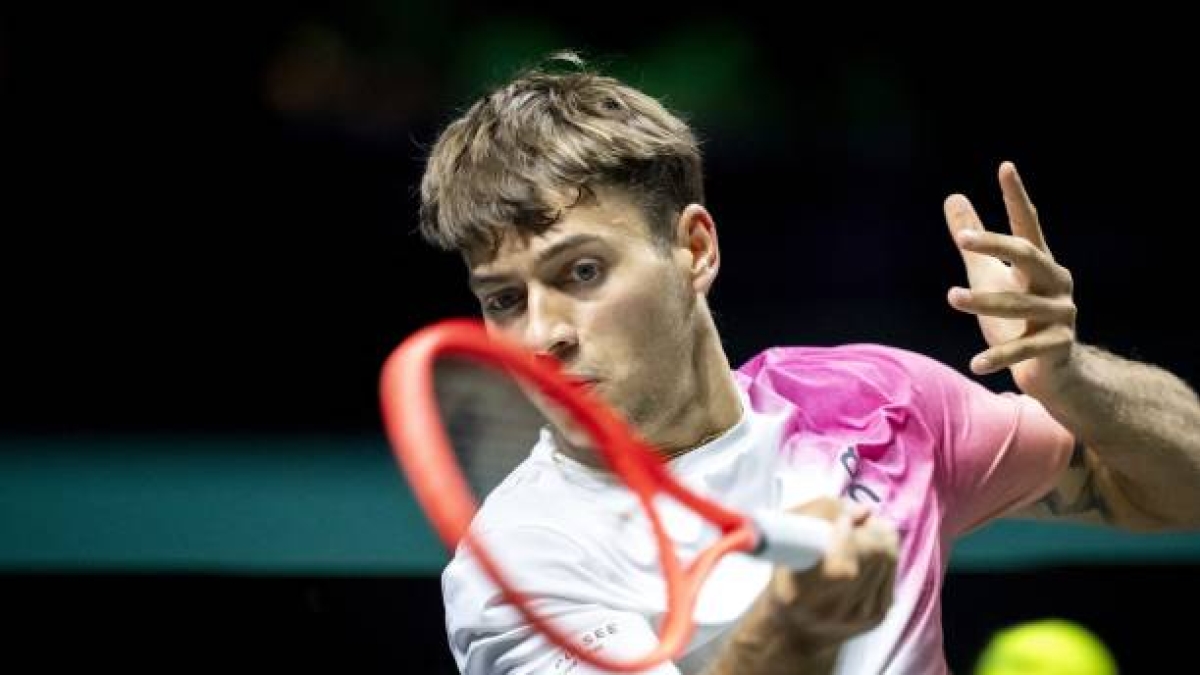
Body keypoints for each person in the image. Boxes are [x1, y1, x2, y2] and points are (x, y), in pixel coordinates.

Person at [416, 52, 1200, 674]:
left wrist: (1070, 379)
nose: (540, 334)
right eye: (505, 299)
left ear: (693, 248)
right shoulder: (515, 565)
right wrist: (795, 629)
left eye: (580, 272)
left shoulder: (874, 403)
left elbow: (1174, 491)